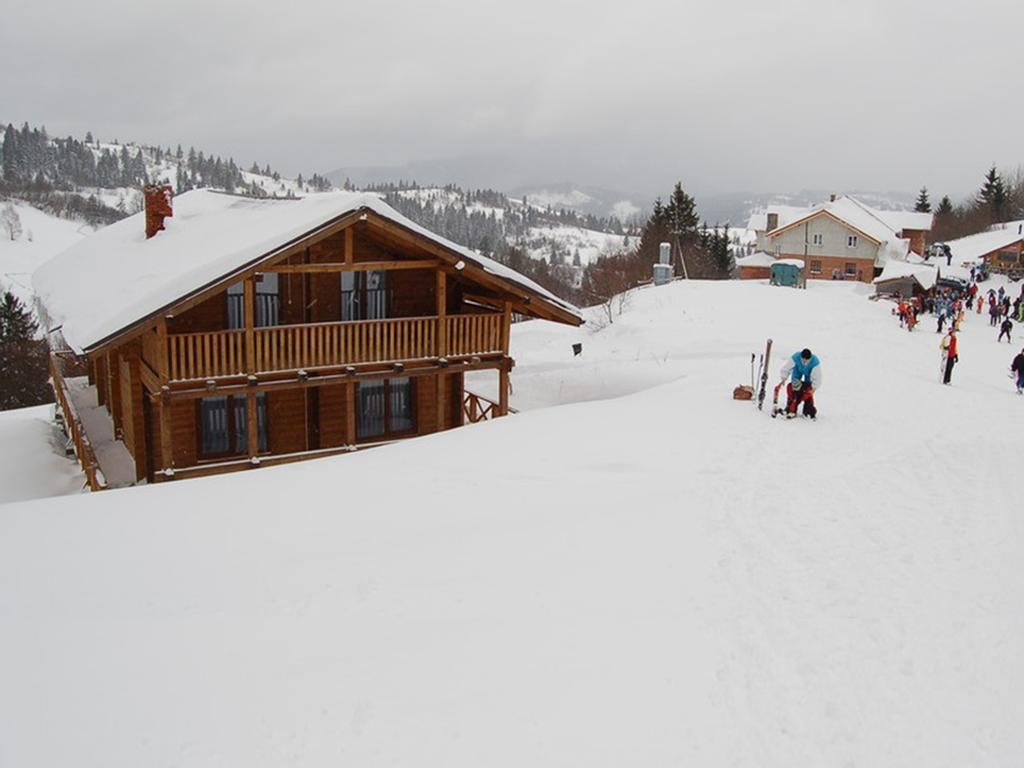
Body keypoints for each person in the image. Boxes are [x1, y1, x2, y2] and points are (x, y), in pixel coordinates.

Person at [780, 348, 822, 419]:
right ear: (801, 357)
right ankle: (790, 408)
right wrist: (784, 378)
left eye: (807, 360)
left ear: (810, 358)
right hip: (798, 370)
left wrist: (814, 387)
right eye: (803, 359)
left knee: (808, 389)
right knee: (794, 386)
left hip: (809, 373)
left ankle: (808, 411)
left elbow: (817, 376)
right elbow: (787, 367)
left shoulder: (815, 362)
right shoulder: (796, 357)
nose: (805, 361)